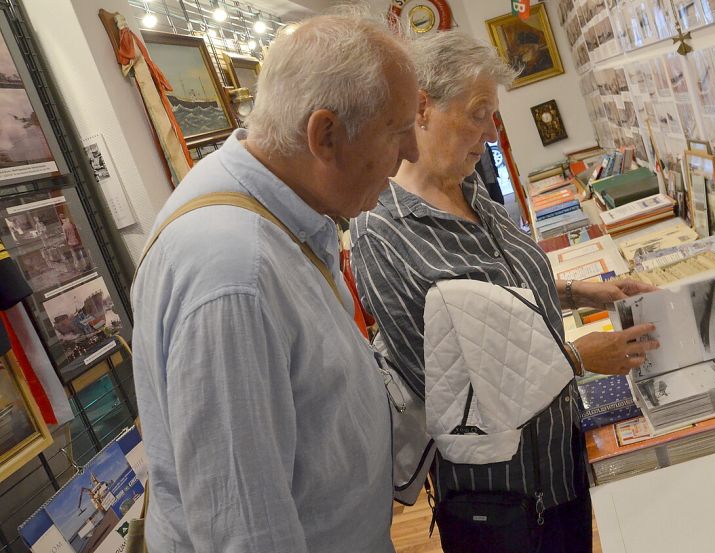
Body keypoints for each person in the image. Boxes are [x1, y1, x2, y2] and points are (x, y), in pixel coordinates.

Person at [351, 30, 659, 553]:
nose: (490, 133)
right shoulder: (381, 230)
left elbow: (508, 295)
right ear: (422, 108)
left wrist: (588, 293)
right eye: (478, 113)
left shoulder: (473, 194)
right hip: (500, 501)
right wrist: (576, 360)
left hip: (560, 463)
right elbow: (444, 392)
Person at [130, 12, 419, 553]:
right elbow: (243, 529)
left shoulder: (280, 212)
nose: (412, 154)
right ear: (325, 135)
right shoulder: (236, 275)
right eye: (398, 131)